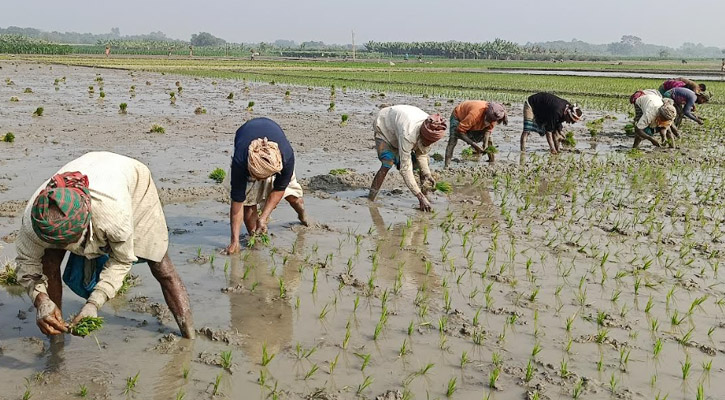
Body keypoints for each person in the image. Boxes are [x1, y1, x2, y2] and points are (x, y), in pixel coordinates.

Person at [15, 152, 195, 338]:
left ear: (85, 225)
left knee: (160, 264)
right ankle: (56, 334)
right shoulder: (35, 218)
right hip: (94, 172)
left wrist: (94, 304)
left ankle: (189, 334)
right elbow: (26, 262)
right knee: (49, 260)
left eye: (69, 243)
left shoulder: (114, 217)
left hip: (133, 183)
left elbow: (122, 261)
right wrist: (41, 299)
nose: (67, 248)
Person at [227, 118, 307, 254]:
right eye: (257, 177)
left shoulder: (286, 158)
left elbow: (280, 189)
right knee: (249, 204)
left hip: (274, 162)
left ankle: (302, 214)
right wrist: (234, 241)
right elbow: (237, 203)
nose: (260, 181)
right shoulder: (240, 162)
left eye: (262, 178)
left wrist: (263, 217)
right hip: (248, 156)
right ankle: (255, 240)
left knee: (294, 198)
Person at [368, 105, 447, 212]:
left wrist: (427, 174)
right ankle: (370, 199)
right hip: (385, 127)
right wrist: (418, 196)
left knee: (422, 164)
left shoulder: (431, 129)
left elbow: (422, 155)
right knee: (388, 162)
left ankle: (425, 194)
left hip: (401, 124)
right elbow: (405, 169)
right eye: (425, 142)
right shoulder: (408, 134)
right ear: (421, 135)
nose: (427, 144)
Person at [444, 100, 508, 167]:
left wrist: (484, 145)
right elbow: (460, 131)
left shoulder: (494, 117)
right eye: (488, 120)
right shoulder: (475, 114)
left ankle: (491, 162)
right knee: (453, 139)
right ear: (485, 115)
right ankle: (446, 166)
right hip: (459, 116)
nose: (489, 122)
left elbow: (488, 131)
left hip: (473, 121)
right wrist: (474, 145)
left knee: (489, 139)